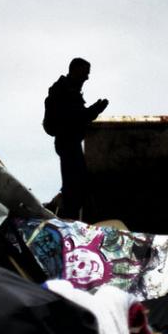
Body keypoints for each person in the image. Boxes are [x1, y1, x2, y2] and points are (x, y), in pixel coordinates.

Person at [43, 57, 108, 221]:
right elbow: (76, 117)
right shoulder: (65, 91)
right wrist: (95, 109)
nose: (87, 77)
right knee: (75, 185)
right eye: (85, 73)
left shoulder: (66, 90)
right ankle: (65, 216)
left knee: (75, 182)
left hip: (69, 142)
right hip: (68, 142)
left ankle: (60, 206)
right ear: (75, 71)